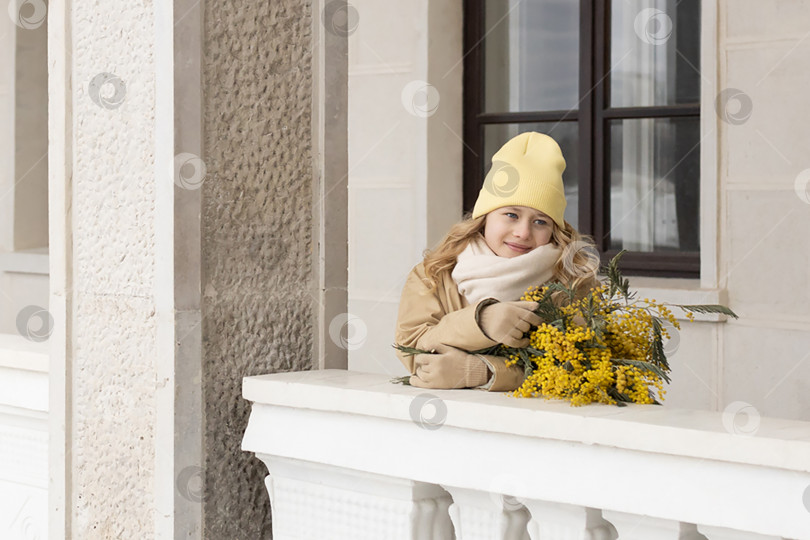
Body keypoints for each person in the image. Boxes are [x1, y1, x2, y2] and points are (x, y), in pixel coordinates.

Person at [394, 132, 600, 391]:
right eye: (511, 214)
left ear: (553, 229)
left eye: (540, 221)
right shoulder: (434, 273)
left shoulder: (573, 280)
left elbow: (586, 367)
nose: (523, 233)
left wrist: (484, 372)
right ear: (485, 217)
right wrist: (480, 321)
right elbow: (412, 349)